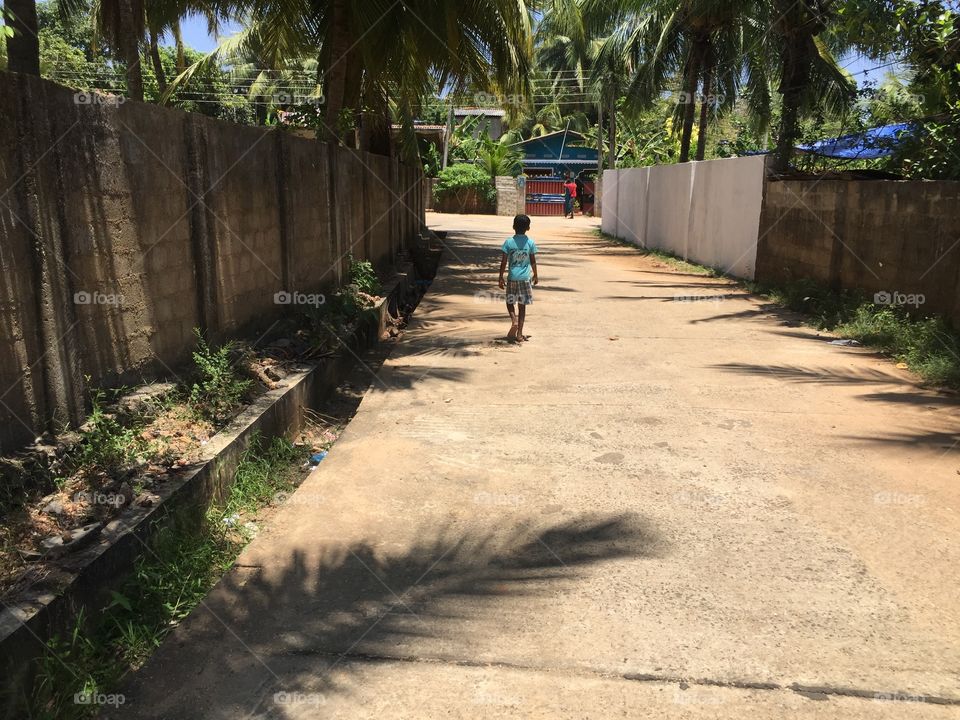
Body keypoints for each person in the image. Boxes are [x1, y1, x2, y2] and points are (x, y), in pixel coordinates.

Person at [498, 214, 538, 343]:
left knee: (510, 302)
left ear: (513, 226)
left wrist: (500, 277)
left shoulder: (508, 242)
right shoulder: (530, 242)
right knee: (522, 306)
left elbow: (503, 262)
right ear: (528, 228)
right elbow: (533, 261)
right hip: (525, 279)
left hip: (512, 278)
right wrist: (536, 274)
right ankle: (519, 334)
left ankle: (513, 320)